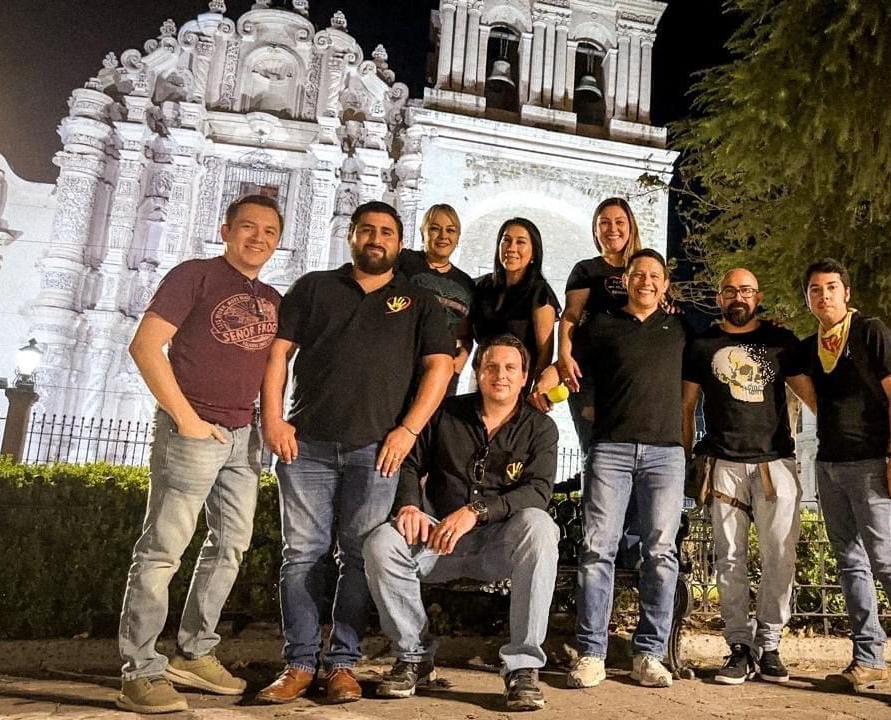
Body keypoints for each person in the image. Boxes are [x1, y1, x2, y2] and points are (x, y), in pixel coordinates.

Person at [257, 201, 455, 705]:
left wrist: (409, 430)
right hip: (307, 447)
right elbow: (278, 354)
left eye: (386, 232)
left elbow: (439, 369)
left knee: (359, 558)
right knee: (301, 555)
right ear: (350, 236)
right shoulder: (314, 287)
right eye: (366, 229)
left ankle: (343, 664)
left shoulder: (420, 302)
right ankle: (299, 662)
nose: (376, 238)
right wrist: (273, 418)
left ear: (399, 243)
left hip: (377, 451)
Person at [115, 194, 284, 714]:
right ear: (225, 229)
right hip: (193, 430)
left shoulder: (272, 297)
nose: (259, 238)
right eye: (248, 227)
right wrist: (186, 419)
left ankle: (194, 652)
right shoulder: (195, 275)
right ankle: (139, 670)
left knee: (230, 546)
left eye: (270, 231)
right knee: (163, 550)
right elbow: (145, 345)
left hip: (242, 437)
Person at [364, 334, 560, 711]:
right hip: (439, 540)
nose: (499, 375)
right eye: (490, 367)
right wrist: (408, 506)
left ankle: (522, 668)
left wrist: (478, 511)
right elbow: (408, 462)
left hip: (501, 546)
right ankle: (413, 657)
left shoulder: (540, 429)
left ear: (524, 378)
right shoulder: (445, 414)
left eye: (509, 368)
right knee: (381, 543)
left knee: (540, 525)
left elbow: (537, 491)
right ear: (477, 372)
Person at [786, 258, 891, 709]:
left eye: (831, 288)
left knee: (888, 561)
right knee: (850, 564)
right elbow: (797, 377)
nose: (823, 296)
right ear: (808, 298)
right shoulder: (811, 345)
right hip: (830, 464)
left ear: (846, 293)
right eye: (815, 290)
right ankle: (867, 660)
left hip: (873, 464)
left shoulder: (870, 332)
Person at [533, 248, 691, 689]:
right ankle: (591, 653)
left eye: (654, 275)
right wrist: (543, 381)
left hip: (666, 454)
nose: (646, 281)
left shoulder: (679, 328)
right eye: (638, 274)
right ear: (625, 281)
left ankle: (650, 653)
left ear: (664, 284)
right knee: (596, 550)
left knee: (661, 553)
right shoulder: (601, 326)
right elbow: (565, 367)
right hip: (611, 450)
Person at [681, 268, 815, 686]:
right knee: (729, 559)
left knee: (780, 556)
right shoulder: (702, 345)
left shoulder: (781, 342)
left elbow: (812, 397)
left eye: (746, 290)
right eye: (729, 291)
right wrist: (685, 458)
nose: (738, 297)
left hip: (775, 462)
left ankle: (770, 643)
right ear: (718, 298)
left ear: (758, 297)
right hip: (723, 463)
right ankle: (738, 646)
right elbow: (686, 407)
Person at [555, 197, 640, 450]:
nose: (612, 229)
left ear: (631, 226)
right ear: (595, 230)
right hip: (591, 372)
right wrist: (563, 356)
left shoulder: (643, 270)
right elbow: (571, 314)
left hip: (632, 373)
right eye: (604, 222)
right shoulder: (586, 270)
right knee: (595, 448)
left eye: (619, 222)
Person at [395, 203, 475, 395]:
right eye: (434, 228)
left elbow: (464, 332)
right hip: (399, 364)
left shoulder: (466, 283)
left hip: (442, 372)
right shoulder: (403, 261)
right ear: (423, 232)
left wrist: (461, 358)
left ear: (457, 237)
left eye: (450, 230)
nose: (443, 236)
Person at [470, 218, 559, 381]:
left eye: (521, 242)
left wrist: (537, 390)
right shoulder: (482, 286)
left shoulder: (540, 292)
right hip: (482, 374)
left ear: (533, 253)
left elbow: (545, 353)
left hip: (516, 379)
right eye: (506, 240)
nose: (511, 248)